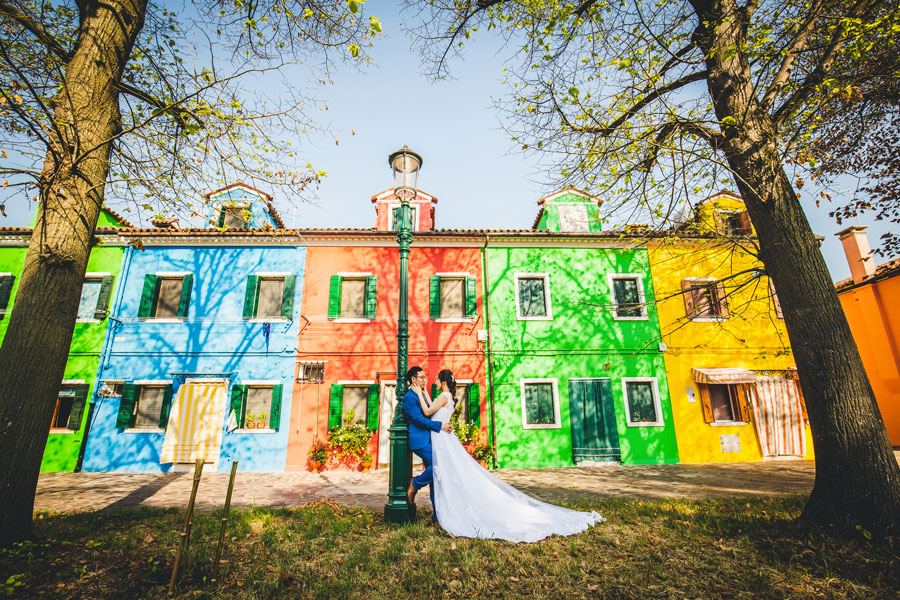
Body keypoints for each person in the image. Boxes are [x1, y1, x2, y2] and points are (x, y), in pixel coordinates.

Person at [410, 368, 605, 542]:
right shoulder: (448, 397)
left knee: (441, 470)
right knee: (443, 472)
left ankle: (419, 488)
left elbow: (427, 411)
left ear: (442, 381)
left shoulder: (443, 396)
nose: (432, 382)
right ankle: (440, 508)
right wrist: (424, 392)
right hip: (443, 438)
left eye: (435, 379)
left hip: (442, 439)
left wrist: (419, 392)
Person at [402, 366, 452, 521]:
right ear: (413, 380)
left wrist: (444, 423)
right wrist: (440, 426)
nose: (425, 380)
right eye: (421, 377)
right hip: (420, 441)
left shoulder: (421, 394)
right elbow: (419, 419)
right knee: (441, 464)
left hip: (431, 439)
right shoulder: (410, 397)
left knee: (435, 479)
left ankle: (437, 515)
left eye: (425, 377)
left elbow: (431, 412)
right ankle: (415, 483)